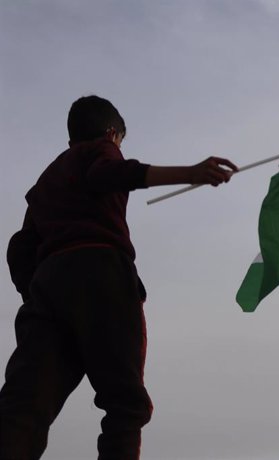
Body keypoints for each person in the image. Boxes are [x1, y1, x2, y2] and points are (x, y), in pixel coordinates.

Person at [0, 95, 237, 460]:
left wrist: (36, 294)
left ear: (69, 140)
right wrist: (190, 173)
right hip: (101, 274)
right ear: (113, 135)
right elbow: (107, 174)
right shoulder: (101, 151)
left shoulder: (47, 180)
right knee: (125, 404)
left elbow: (20, 247)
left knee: (24, 405)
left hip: (47, 286)